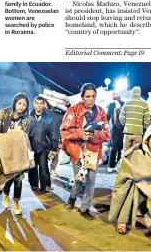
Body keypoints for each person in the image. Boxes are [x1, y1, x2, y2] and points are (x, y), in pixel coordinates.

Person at [109, 124, 151, 248]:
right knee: (128, 202)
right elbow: (129, 168)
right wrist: (142, 173)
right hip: (136, 185)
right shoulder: (137, 153)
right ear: (147, 140)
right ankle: (122, 223)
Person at [60, 83, 111, 220]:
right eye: (88, 96)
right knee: (80, 180)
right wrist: (80, 134)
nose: (91, 99)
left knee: (91, 181)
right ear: (82, 97)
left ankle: (85, 208)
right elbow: (64, 131)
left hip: (94, 152)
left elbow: (107, 135)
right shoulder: (73, 110)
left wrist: (93, 134)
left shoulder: (101, 112)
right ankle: (72, 198)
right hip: (77, 152)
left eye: (93, 96)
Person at [0, 93, 32, 215]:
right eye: (19, 103)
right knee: (7, 178)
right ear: (15, 102)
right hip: (4, 152)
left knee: (18, 179)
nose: (21, 106)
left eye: (24, 104)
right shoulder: (4, 113)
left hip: (18, 152)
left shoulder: (26, 119)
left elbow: (24, 136)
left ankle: (16, 203)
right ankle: (6, 195)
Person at [29, 95, 57, 192]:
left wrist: (54, 148)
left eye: (41, 103)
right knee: (32, 167)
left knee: (43, 167)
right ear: (34, 104)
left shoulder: (48, 118)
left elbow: (52, 134)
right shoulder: (28, 116)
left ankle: (45, 186)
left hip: (43, 147)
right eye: (37, 103)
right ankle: (34, 185)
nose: (39, 106)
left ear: (43, 104)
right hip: (31, 147)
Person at [119, 86, 151, 152]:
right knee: (136, 154)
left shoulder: (127, 103)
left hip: (127, 133)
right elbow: (147, 121)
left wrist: (126, 125)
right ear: (139, 93)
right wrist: (142, 126)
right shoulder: (145, 104)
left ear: (132, 93)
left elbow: (121, 118)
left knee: (126, 154)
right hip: (138, 133)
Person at [106, 91, 125, 172]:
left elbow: (108, 116)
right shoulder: (115, 104)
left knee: (117, 147)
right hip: (119, 128)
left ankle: (115, 166)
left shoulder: (119, 104)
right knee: (117, 147)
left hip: (119, 128)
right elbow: (108, 116)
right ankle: (115, 166)